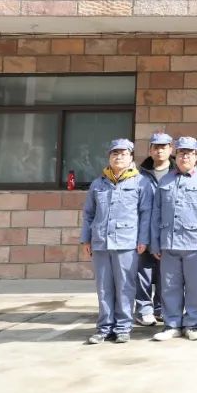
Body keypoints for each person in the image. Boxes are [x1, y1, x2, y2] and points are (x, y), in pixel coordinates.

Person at [80, 138, 152, 344]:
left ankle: (123, 327)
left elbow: (146, 214)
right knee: (104, 288)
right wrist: (86, 239)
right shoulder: (98, 183)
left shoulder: (140, 182)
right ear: (109, 157)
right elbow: (89, 214)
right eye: (114, 153)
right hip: (101, 242)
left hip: (127, 243)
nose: (118, 157)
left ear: (131, 157)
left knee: (124, 287)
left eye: (123, 153)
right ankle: (104, 328)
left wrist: (143, 240)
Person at [149, 136, 197, 342]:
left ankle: (192, 324)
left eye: (189, 153)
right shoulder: (165, 180)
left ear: (196, 156)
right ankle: (172, 325)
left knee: (196, 287)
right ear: (175, 156)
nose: (184, 156)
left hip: (195, 244)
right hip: (168, 243)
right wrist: (155, 243)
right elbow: (156, 213)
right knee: (170, 287)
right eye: (181, 153)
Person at [135, 132, 173, 327]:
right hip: (144, 231)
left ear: (170, 149)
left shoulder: (177, 172)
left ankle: (161, 308)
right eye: (156, 147)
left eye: (163, 147)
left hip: (168, 231)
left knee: (166, 272)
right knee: (144, 272)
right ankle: (144, 309)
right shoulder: (138, 174)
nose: (159, 150)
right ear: (150, 150)